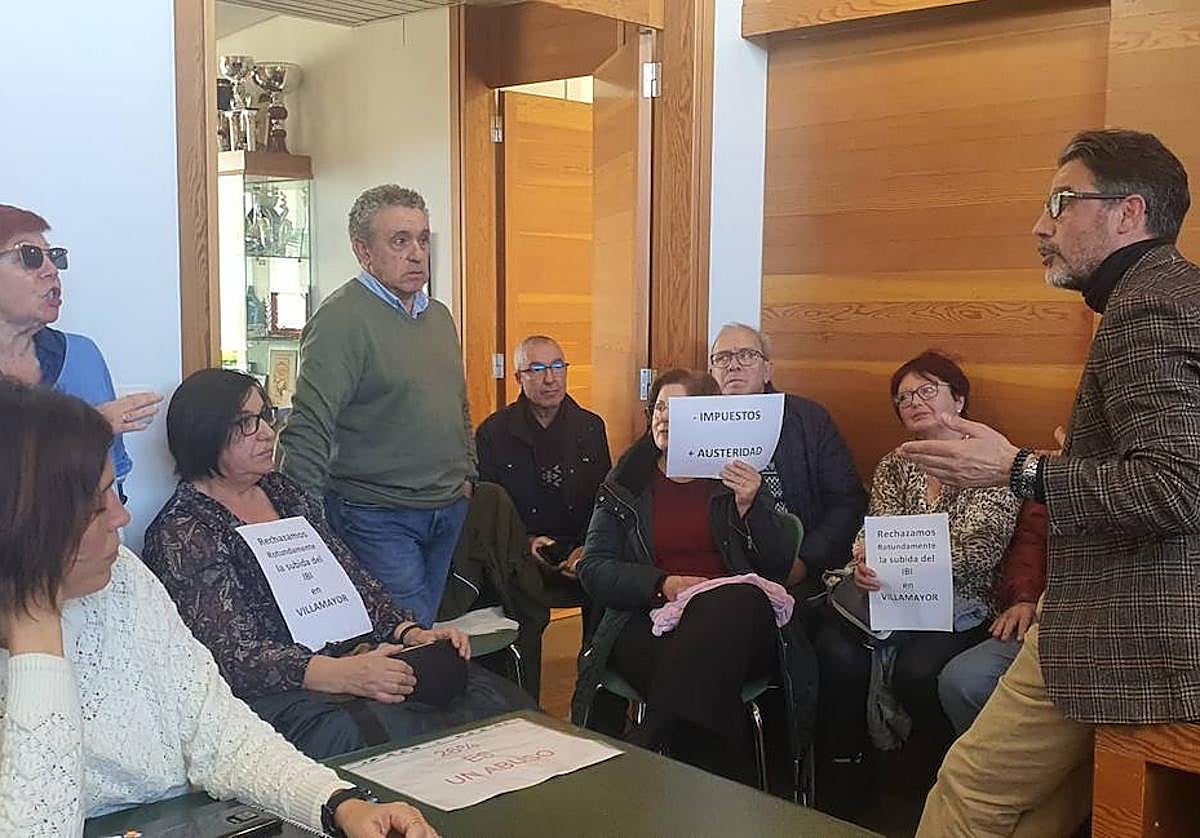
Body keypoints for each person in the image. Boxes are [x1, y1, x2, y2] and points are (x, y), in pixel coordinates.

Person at [902, 129, 1200, 837]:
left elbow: (1176, 488)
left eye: (1061, 202)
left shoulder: (1144, 308)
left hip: (1124, 628)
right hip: (1146, 625)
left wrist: (1017, 469)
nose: (1041, 224)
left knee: (967, 797)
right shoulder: (1176, 291)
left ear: (1129, 213)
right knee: (1041, 820)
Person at [0, 378, 437, 836]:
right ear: (27, 525)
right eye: (96, 506)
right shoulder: (180, 529)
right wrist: (36, 626)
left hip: (204, 820)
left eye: (117, 492)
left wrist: (341, 806)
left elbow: (220, 734)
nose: (122, 517)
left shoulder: (124, 577)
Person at [144, 369, 529, 759]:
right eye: (247, 423)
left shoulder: (284, 494)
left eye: (265, 416)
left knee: (494, 704)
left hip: (362, 660)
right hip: (290, 694)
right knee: (404, 743)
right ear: (204, 433)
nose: (266, 432)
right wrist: (340, 673)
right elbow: (229, 657)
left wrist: (409, 633)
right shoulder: (184, 529)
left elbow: (357, 582)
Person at [570, 369, 817, 786]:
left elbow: (776, 569)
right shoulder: (625, 483)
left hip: (737, 623)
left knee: (737, 599)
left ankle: (645, 746)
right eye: (660, 407)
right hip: (647, 618)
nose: (665, 417)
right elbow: (593, 568)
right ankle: (720, 803)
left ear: (707, 417)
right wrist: (661, 584)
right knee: (705, 691)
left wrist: (750, 506)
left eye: (680, 409)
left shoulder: (735, 476)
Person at [814, 351, 1020, 815]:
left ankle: (936, 785)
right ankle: (847, 779)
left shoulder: (994, 460)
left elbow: (981, 549)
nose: (914, 401)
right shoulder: (896, 463)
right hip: (892, 594)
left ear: (959, 399)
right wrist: (865, 558)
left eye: (928, 390)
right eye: (904, 397)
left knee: (917, 673)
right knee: (834, 649)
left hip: (964, 598)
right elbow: (876, 526)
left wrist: (906, 558)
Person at [277, 185, 476, 626]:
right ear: (363, 251)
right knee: (407, 637)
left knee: (421, 631)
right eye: (400, 241)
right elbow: (310, 424)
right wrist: (302, 521)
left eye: (423, 239)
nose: (417, 254)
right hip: (377, 513)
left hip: (445, 507)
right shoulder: (341, 320)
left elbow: (457, 402)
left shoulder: (438, 316)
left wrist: (468, 473)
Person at [0, 204, 161, 491]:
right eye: (30, 256)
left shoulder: (81, 356)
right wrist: (90, 427)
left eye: (54, 256)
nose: (52, 270)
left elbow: (114, 482)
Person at [708, 323, 866, 593]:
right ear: (711, 372)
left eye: (746, 355)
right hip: (717, 569)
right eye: (722, 358)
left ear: (768, 370)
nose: (733, 365)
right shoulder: (693, 423)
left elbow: (847, 502)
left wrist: (804, 561)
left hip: (801, 566)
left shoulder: (809, 420)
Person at [475, 335, 611, 630]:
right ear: (518, 377)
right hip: (521, 553)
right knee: (514, 593)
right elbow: (487, 512)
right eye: (537, 369)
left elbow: (605, 500)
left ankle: (592, 673)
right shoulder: (493, 432)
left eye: (558, 366)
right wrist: (526, 543)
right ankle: (523, 676)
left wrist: (588, 547)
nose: (550, 379)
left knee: (610, 582)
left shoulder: (590, 427)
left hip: (581, 548)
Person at [937, 500, 1046, 735]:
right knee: (962, 680)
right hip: (1042, 612)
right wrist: (1025, 596)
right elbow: (1032, 540)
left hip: (1112, 624)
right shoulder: (1056, 469)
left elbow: (981, 549)